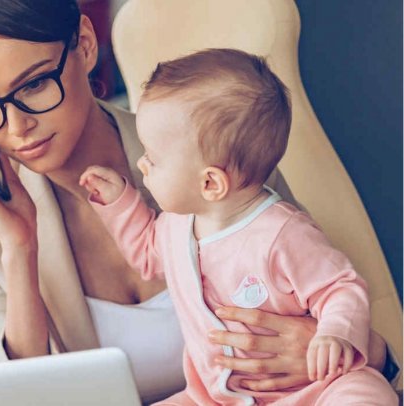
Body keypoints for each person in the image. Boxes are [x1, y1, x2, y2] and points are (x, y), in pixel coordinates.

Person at [0, 0, 397, 403]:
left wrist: (335, 345)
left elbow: (352, 324)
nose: (16, 128)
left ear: (86, 46)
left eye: (34, 85)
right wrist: (19, 249)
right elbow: (18, 401)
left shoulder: (213, 148)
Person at [80, 49, 398, 405]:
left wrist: (334, 333)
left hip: (310, 390)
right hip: (216, 397)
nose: (142, 164)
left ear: (211, 184)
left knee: (365, 394)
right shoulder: (175, 227)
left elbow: (340, 286)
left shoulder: (282, 233)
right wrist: (120, 203)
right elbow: (146, 256)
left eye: (152, 158)